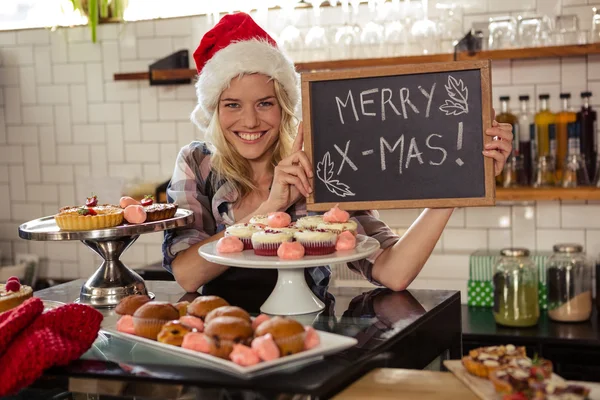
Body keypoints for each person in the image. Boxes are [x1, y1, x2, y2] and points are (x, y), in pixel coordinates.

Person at [162, 12, 513, 297]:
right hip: (214, 339)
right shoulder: (197, 162)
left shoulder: (322, 166)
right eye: (232, 105)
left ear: (284, 107)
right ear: (213, 111)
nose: (250, 120)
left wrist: (456, 184)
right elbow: (187, 275)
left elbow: (392, 272)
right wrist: (270, 209)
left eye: (265, 103)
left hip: (310, 336)